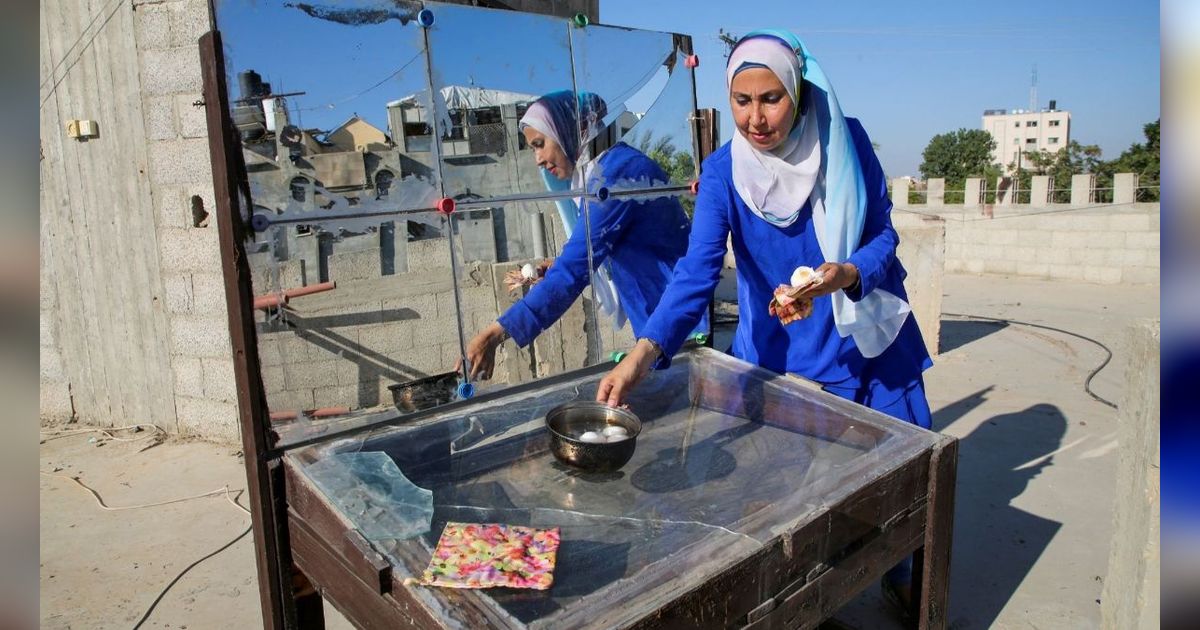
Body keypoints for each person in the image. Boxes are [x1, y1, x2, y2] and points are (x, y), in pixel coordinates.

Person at [593, 30, 932, 619]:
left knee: (900, 486)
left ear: (798, 93)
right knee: (801, 499)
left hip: (863, 342)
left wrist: (845, 274)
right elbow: (697, 274)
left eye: (771, 98)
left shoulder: (843, 143)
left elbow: (883, 234)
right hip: (779, 353)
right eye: (742, 101)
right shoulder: (724, 171)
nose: (756, 119)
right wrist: (643, 354)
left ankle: (904, 579)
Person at [460, 90, 706, 381]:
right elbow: (600, 250)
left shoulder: (614, 177)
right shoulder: (600, 171)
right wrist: (555, 267)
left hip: (683, 324)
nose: (538, 160)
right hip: (661, 322)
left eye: (540, 144)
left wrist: (495, 333)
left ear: (570, 130)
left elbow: (574, 270)